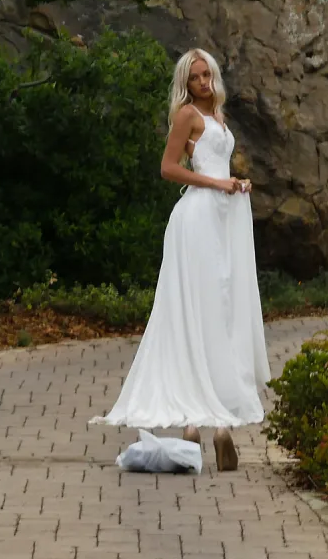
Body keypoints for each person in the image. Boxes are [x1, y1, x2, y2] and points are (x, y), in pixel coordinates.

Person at [92, 48, 269, 470]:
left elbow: (217, 164)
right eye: (195, 77)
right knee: (197, 309)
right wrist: (216, 184)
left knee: (222, 310)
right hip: (197, 218)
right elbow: (168, 168)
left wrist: (235, 183)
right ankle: (198, 421)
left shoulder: (218, 116)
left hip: (224, 215)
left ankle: (207, 423)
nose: (204, 82)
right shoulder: (187, 115)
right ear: (186, 83)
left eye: (207, 75)